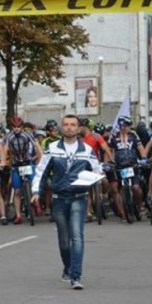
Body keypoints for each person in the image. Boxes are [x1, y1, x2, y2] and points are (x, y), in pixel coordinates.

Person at [31, 114, 103, 290]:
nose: (69, 127)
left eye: (73, 125)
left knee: (77, 237)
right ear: (62, 128)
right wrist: (35, 191)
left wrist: (97, 177)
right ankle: (68, 267)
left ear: (78, 129)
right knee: (64, 241)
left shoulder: (87, 150)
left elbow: (98, 170)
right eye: (66, 124)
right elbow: (41, 171)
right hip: (59, 199)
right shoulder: (52, 148)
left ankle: (76, 276)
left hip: (79, 198)